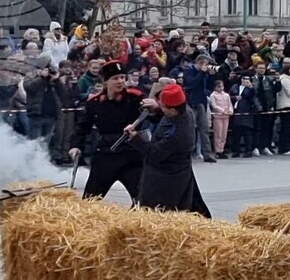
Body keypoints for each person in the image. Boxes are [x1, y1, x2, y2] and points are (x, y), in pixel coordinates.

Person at [124, 84, 211, 216]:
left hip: (167, 179)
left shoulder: (177, 134)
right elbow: (164, 115)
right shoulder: (185, 111)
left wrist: (135, 138)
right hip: (173, 171)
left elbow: (154, 154)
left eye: (163, 107)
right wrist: (157, 109)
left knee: (162, 211)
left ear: (173, 111)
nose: (161, 108)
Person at [69, 60, 145, 200]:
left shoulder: (135, 98)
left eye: (122, 77)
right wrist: (76, 146)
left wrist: (154, 108)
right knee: (90, 200)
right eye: (115, 78)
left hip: (130, 154)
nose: (120, 81)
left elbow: (151, 116)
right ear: (105, 82)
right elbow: (82, 126)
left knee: (143, 199)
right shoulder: (95, 102)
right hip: (105, 154)